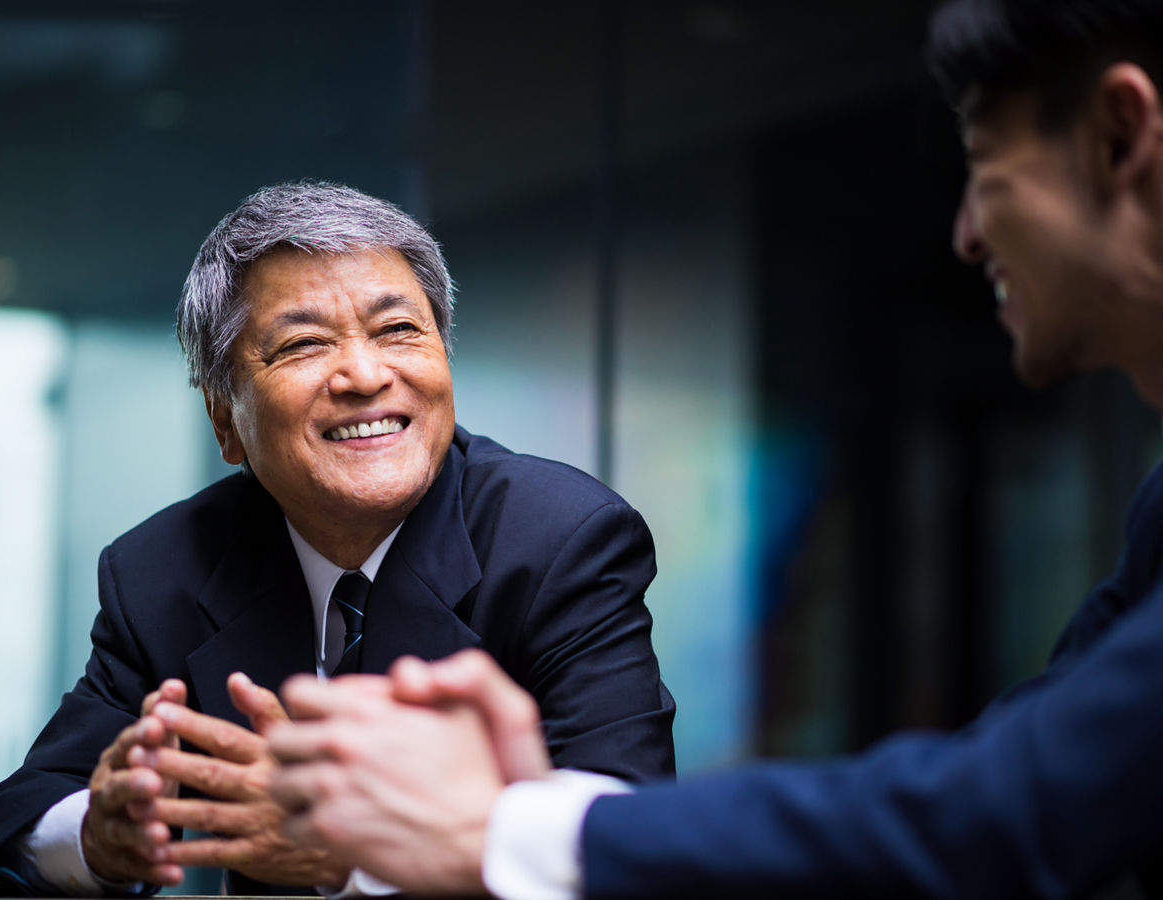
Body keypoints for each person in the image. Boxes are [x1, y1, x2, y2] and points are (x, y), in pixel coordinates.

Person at [263, 1, 1163, 897]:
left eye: (985, 163)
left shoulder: (568, 535)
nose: (966, 231)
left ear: (1120, 137)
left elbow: (1002, 817)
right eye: (303, 345)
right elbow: (1005, 772)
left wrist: (507, 828)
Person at [0, 181, 676, 897]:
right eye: (305, 344)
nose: (367, 376)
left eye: (399, 330)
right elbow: (17, 825)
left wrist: (354, 861)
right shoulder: (165, 570)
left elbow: (620, 838)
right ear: (224, 420)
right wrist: (100, 836)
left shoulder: (561, 540)